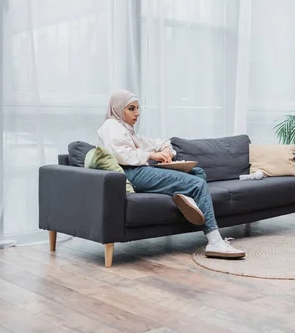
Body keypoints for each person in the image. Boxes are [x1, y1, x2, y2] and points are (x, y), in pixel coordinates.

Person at [96, 89, 245, 259]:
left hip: (140, 170)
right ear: (118, 108)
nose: (137, 113)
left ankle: (185, 197)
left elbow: (154, 142)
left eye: (138, 108)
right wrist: (151, 155)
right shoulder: (110, 126)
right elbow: (120, 154)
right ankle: (215, 242)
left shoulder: (127, 131)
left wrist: (165, 149)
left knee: (198, 173)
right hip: (131, 173)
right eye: (131, 109)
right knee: (198, 184)